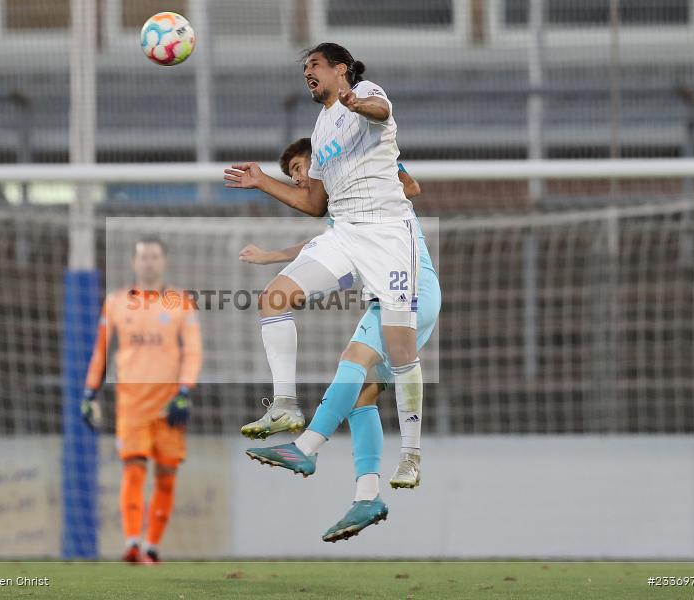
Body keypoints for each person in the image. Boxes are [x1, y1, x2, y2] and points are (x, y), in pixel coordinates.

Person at [224, 43, 439, 542]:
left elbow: (382, 113)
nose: (307, 74)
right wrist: (261, 181)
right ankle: (288, 410)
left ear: (341, 69)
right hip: (349, 237)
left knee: (365, 365)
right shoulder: (322, 131)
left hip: (390, 243)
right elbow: (316, 204)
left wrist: (354, 102)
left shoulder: (364, 94)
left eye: (315, 66)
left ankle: (397, 454)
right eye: (304, 70)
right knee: (276, 300)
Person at [238, 138, 439, 493]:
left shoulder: (364, 167)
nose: (300, 178)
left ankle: (308, 447)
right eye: (294, 174)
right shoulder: (343, 216)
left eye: (301, 168)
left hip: (414, 286)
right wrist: (272, 257)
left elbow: (410, 186)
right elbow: (323, 243)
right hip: (386, 291)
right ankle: (367, 496)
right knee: (362, 392)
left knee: (355, 359)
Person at [81, 237, 202, 563]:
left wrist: (185, 391)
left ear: (164, 262)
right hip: (131, 402)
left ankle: (151, 546)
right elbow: (100, 351)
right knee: (133, 470)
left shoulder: (181, 302)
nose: (148, 262)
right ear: (134, 263)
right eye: (143, 257)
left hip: (168, 403)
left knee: (166, 474)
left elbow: (192, 351)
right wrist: (89, 392)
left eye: (154, 256)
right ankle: (132, 543)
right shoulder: (116, 302)